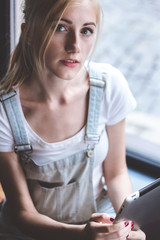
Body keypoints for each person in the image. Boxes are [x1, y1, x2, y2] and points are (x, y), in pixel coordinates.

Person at [0, 0, 146, 239]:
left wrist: (128, 226)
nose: (75, 46)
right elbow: (22, 213)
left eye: (86, 30)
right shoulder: (5, 112)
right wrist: (81, 235)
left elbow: (116, 172)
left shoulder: (110, 85)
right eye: (60, 27)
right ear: (28, 33)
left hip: (98, 218)